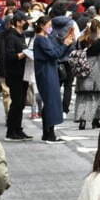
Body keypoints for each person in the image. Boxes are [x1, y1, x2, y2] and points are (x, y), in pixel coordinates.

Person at [33, 15, 75, 144]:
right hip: (46, 72)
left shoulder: (43, 39)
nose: (51, 28)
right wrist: (65, 45)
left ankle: (48, 133)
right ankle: (49, 134)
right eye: (49, 25)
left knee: (50, 102)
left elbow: (55, 52)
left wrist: (65, 43)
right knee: (51, 101)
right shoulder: (41, 39)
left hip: (48, 70)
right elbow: (54, 54)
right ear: (41, 25)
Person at [73, 19, 100, 131]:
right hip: (95, 69)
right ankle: (95, 120)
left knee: (83, 97)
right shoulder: (98, 42)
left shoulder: (80, 40)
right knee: (98, 96)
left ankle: (82, 121)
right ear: (97, 29)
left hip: (82, 69)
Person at [1, 14, 33, 141]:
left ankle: (18, 129)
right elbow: (9, 56)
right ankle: (11, 131)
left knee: (21, 103)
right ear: (18, 22)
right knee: (16, 103)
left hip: (23, 73)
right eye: (24, 21)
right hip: (14, 74)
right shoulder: (11, 37)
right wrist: (24, 54)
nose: (26, 23)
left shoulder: (22, 36)